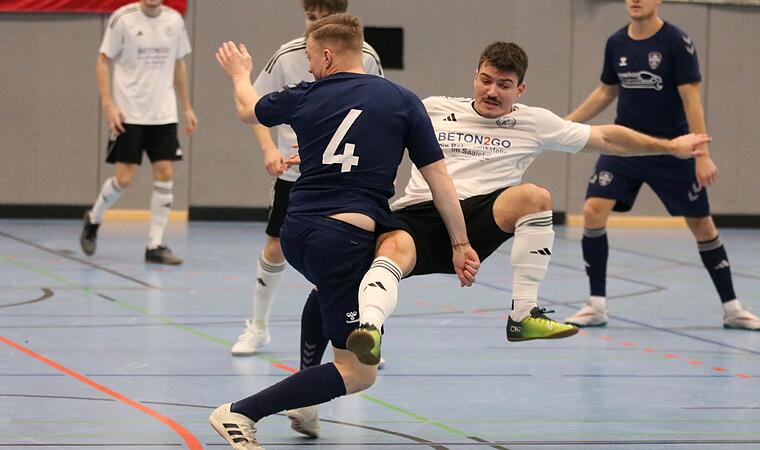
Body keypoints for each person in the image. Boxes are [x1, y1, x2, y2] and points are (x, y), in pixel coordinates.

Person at [284, 41, 712, 439]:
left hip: (482, 218)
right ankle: (363, 335)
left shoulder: (534, 122)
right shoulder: (433, 109)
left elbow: (605, 136)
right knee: (338, 281)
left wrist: (671, 146)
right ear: (475, 76)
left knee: (535, 197)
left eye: (504, 85)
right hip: (417, 214)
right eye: (486, 80)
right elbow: (371, 133)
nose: (492, 91)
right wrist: (319, 154)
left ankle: (522, 315)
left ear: (519, 88)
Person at [209, 14, 478, 450]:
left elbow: (247, 109)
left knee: (333, 286)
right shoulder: (403, 100)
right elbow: (439, 180)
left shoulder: (305, 94)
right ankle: (240, 413)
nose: (312, 67)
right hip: (342, 238)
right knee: (358, 373)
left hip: (298, 231)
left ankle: (305, 400)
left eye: (313, 58)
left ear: (328, 55)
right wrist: (461, 243)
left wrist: (240, 74)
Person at [563, 0, 760, 330]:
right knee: (592, 210)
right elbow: (606, 91)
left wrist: (701, 155)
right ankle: (596, 304)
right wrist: (566, 124)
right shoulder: (616, 42)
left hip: (673, 149)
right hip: (626, 146)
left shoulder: (676, 41)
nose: (635, 0)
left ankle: (732, 308)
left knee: (702, 226)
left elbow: (692, 100)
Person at [230, 0, 384, 358]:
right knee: (276, 246)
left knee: (355, 255)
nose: (313, 25)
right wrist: (269, 149)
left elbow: (376, 109)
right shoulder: (288, 55)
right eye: (309, 18)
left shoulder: (366, 57)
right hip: (298, 176)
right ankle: (258, 327)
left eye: (323, 18)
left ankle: (360, 333)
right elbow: (254, 106)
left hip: (347, 176)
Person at [79, 0, 197, 265]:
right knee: (124, 179)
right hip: (129, 113)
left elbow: (179, 64)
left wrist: (187, 106)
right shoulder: (123, 19)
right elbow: (102, 61)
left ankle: (155, 245)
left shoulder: (174, 21)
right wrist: (109, 106)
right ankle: (94, 218)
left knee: (165, 173)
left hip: (163, 113)